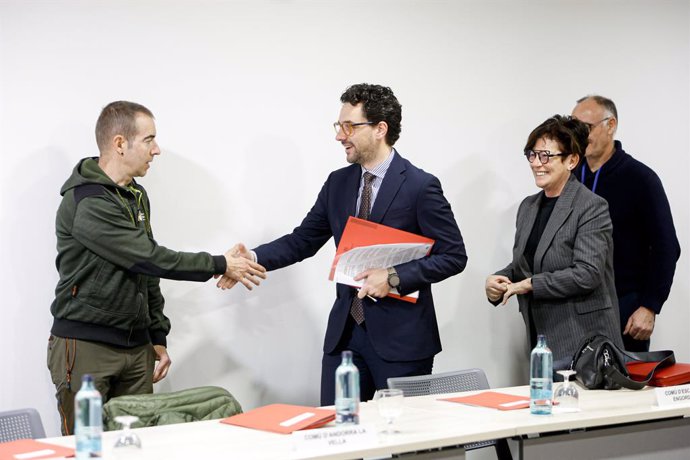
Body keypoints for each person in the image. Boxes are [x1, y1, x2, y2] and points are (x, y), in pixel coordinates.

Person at [221, 84, 467, 405]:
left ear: (380, 129)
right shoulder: (338, 182)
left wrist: (393, 277)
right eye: (339, 126)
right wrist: (251, 257)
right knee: (337, 438)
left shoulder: (420, 186)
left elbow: (453, 255)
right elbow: (303, 241)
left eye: (349, 126)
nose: (340, 136)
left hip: (402, 341)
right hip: (345, 336)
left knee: (406, 441)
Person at [47, 101, 266, 434]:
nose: (157, 149)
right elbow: (150, 257)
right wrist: (221, 264)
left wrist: (156, 335)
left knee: (141, 445)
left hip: (136, 349)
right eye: (149, 139)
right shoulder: (86, 202)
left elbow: (144, 271)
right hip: (87, 347)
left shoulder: (135, 195)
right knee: (85, 447)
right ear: (120, 144)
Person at [485, 115, 622, 371]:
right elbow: (526, 264)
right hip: (542, 338)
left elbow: (587, 274)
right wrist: (500, 281)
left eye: (546, 156)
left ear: (571, 160)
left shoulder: (591, 206)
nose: (537, 163)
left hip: (585, 342)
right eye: (532, 155)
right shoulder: (528, 207)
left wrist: (529, 284)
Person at [572, 95, 680, 352]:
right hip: (576, 307)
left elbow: (667, 247)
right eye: (572, 128)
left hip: (624, 306)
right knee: (573, 388)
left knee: (623, 388)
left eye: (585, 128)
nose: (577, 136)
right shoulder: (571, 177)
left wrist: (650, 306)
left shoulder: (640, 178)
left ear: (611, 126)